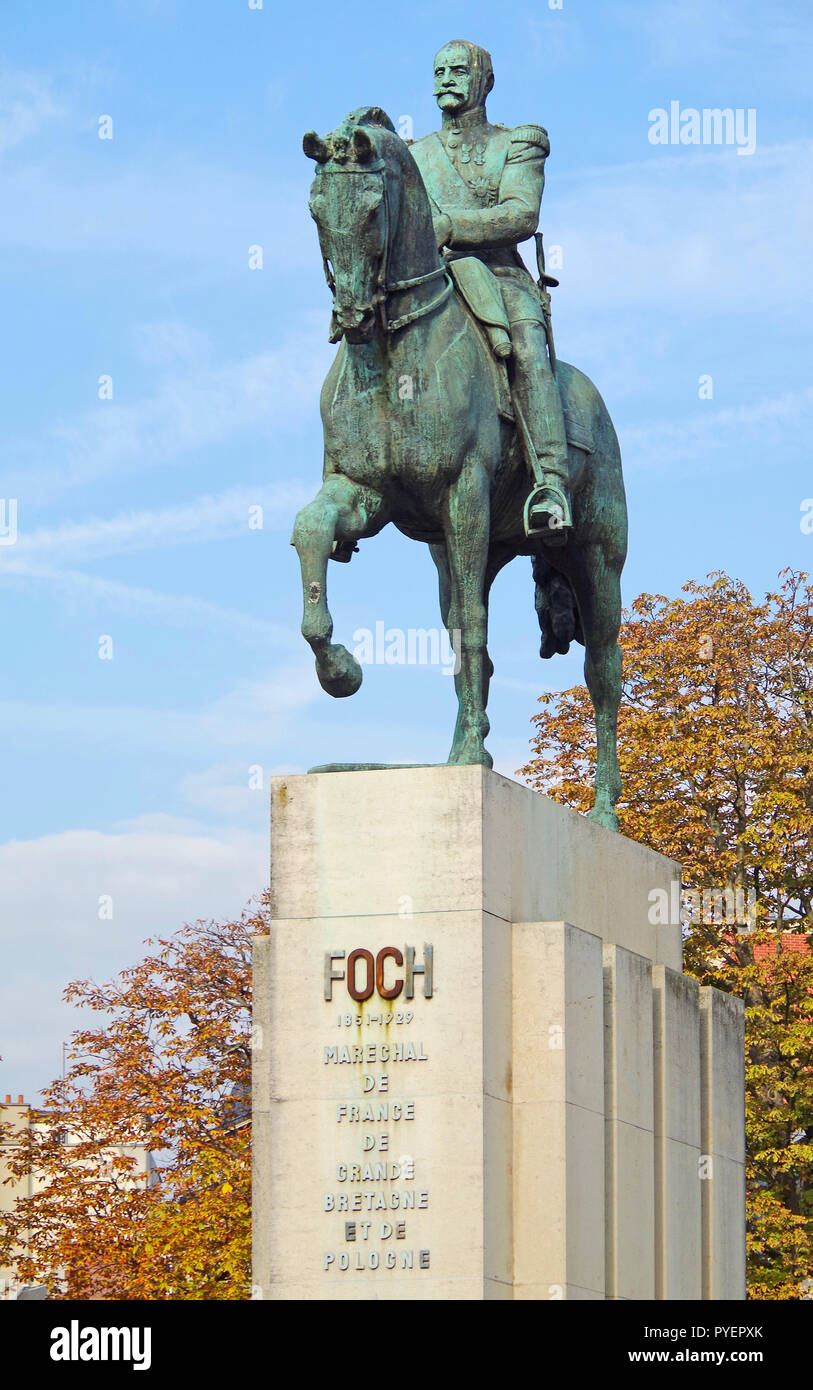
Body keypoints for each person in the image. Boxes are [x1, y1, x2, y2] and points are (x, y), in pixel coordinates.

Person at [410, 39, 572, 540]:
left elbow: (521, 214)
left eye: (458, 70)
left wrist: (449, 226)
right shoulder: (414, 155)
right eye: (439, 71)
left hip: (499, 277)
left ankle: (550, 480)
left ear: (485, 81)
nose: (446, 79)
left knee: (526, 344)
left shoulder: (516, 143)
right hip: (432, 281)